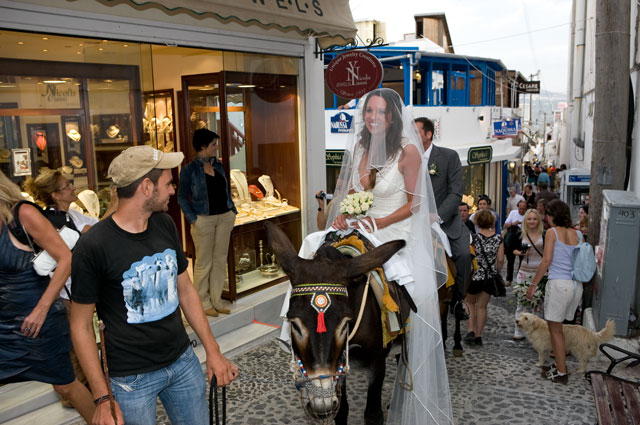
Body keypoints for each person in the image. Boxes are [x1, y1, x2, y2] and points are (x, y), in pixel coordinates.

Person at [286, 88, 452, 424]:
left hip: (394, 227)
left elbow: (416, 202)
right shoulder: (360, 147)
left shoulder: (407, 153)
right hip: (359, 226)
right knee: (310, 245)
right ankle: (298, 328)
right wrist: (343, 215)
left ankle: (400, 329)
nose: (374, 117)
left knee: (400, 278)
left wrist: (379, 220)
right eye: (369, 111)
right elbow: (349, 192)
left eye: (380, 112)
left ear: (392, 117)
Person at [70, 146, 239, 425]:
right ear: (146, 187)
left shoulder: (165, 224)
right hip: (129, 379)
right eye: (168, 183)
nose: (173, 190)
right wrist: (101, 397)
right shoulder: (93, 246)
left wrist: (213, 350)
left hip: (182, 361)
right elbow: (80, 326)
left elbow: (186, 290)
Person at [0, 170, 94, 422]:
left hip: (37, 319)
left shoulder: (22, 214)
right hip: (3, 323)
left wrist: (41, 309)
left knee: (65, 385)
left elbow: (66, 258)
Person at [23, 169, 116, 407]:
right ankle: (77, 396)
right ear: (55, 194)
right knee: (75, 345)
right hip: (64, 293)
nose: (73, 188)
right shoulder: (52, 220)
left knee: (82, 341)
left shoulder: (71, 215)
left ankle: (88, 391)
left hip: (78, 290)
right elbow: (91, 235)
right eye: (67, 186)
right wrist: (116, 202)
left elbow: (100, 228)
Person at [415, 116, 471, 318]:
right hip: (412, 221)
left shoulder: (448, 157)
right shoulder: (406, 157)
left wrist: (436, 216)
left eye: (416, 132)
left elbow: (456, 192)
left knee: (464, 255)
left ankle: (458, 299)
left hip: (444, 221)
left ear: (428, 135)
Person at [178, 129, 237, 317]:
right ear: (203, 146)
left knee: (220, 260)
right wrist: (192, 219)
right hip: (203, 219)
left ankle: (217, 300)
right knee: (204, 262)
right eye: (213, 144)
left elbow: (225, 190)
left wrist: (232, 210)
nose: (217, 147)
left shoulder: (219, 165)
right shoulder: (189, 169)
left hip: (224, 217)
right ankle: (202, 303)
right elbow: (181, 197)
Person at [527, 199, 583, 384]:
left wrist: (533, 284)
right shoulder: (578, 235)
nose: (546, 218)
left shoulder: (552, 233)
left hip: (559, 285)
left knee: (555, 331)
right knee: (562, 328)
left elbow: (546, 261)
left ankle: (561, 372)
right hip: (575, 286)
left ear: (553, 216)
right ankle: (560, 365)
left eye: (548, 215)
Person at [464, 209, 505, 346]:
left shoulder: (474, 238)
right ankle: (478, 336)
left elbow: (469, 257)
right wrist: (496, 272)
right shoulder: (499, 239)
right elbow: (500, 260)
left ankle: (470, 330)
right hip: (489, 276)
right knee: (482, 307)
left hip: (475, 275)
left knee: (469, 302)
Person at [512, 209, 545, 339]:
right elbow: (512, 249)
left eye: (534, 219)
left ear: (539, 220)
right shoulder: (520, 234)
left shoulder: (545, 235)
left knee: (538, 305)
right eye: (529, 219)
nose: (532, 221)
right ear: (525, 220)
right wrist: (519, 253)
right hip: (524, 271)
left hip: (540, 272)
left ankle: (538, 333)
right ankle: (519, 331)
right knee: (522, 303)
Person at [503, 200, 528, 286]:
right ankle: (508, 278)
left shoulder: (528, 215)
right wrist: (513, 223)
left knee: (522, 259)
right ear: (517, 207)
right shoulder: (513, 213)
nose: (521, 211)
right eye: (520, 209)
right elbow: (505, 225)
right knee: (510, 259)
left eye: (523, 209)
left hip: (523, 237)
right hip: (513, 237)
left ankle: (519, 278)